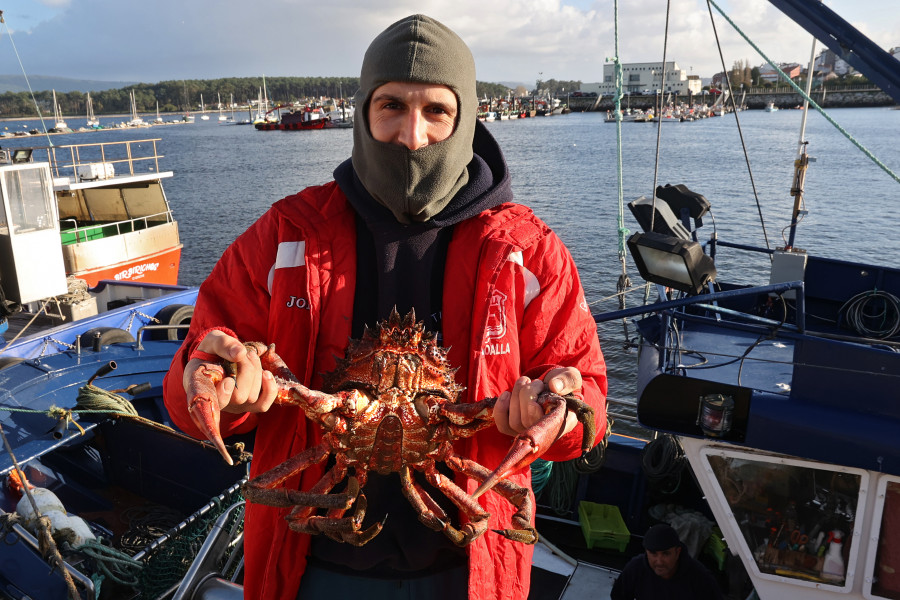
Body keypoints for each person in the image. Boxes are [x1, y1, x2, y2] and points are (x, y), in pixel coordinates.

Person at [163, 14, 607, 600]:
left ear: (466, 117)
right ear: (363, 111)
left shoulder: (527, 251)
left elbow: (588, 400)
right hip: (312, 572)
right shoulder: (285, 236)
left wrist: (553, 411)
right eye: (391, 105)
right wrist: (224, 389)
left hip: (470, 571)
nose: (412, 135)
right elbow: (191, 383)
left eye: (436, 111)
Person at [610, 523, 724, 600]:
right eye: (653, 553)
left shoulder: (700, 577)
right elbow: (618, 596)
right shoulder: (635, 568)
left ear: (677, 552)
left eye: (666, 554)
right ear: (646, 552)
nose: (659, 561)